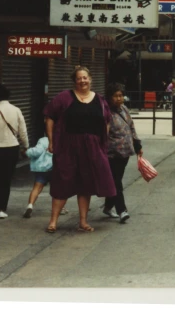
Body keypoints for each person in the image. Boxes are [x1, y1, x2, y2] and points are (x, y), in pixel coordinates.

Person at [43, 66, 116, 233]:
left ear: (90, 79)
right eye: (79, 78)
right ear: (74, 81)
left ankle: (83, 222)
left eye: (85, 78)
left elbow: (106, 122)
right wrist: (51, 140)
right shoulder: (64, 97)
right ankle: (53, 221)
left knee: (86, 184)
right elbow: (49, 118)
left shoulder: (100, 100)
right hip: (67, 145)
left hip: (91, 147)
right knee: (62, 181)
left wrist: (100, 143)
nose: (82, 81)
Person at [0, 83, 29, 219]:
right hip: (12, 148)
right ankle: (3, 207)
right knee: (6, 178)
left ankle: (0, 205)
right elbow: (23, 131)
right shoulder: (16, 110)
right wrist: (25, 146)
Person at [104, 83, 143, 224]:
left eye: (121, 96)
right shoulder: (106, 112)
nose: (119, 99)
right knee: (116, 181)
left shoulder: (124, 109)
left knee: (116, 180)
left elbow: (131, 126)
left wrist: (137, 144)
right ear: (109, 97)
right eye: (116, 96)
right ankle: (122, 210)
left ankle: (108, 206)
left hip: (126, 151)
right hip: (111, 152)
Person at [22, 135, 64, 219]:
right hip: (54, 169)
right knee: (56, 190)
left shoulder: (43, 140)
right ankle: (60, 209)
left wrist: (27, 152)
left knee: (36, 188)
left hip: (42, 169)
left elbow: (37, 151)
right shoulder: (61, 139)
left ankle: (30, 206)